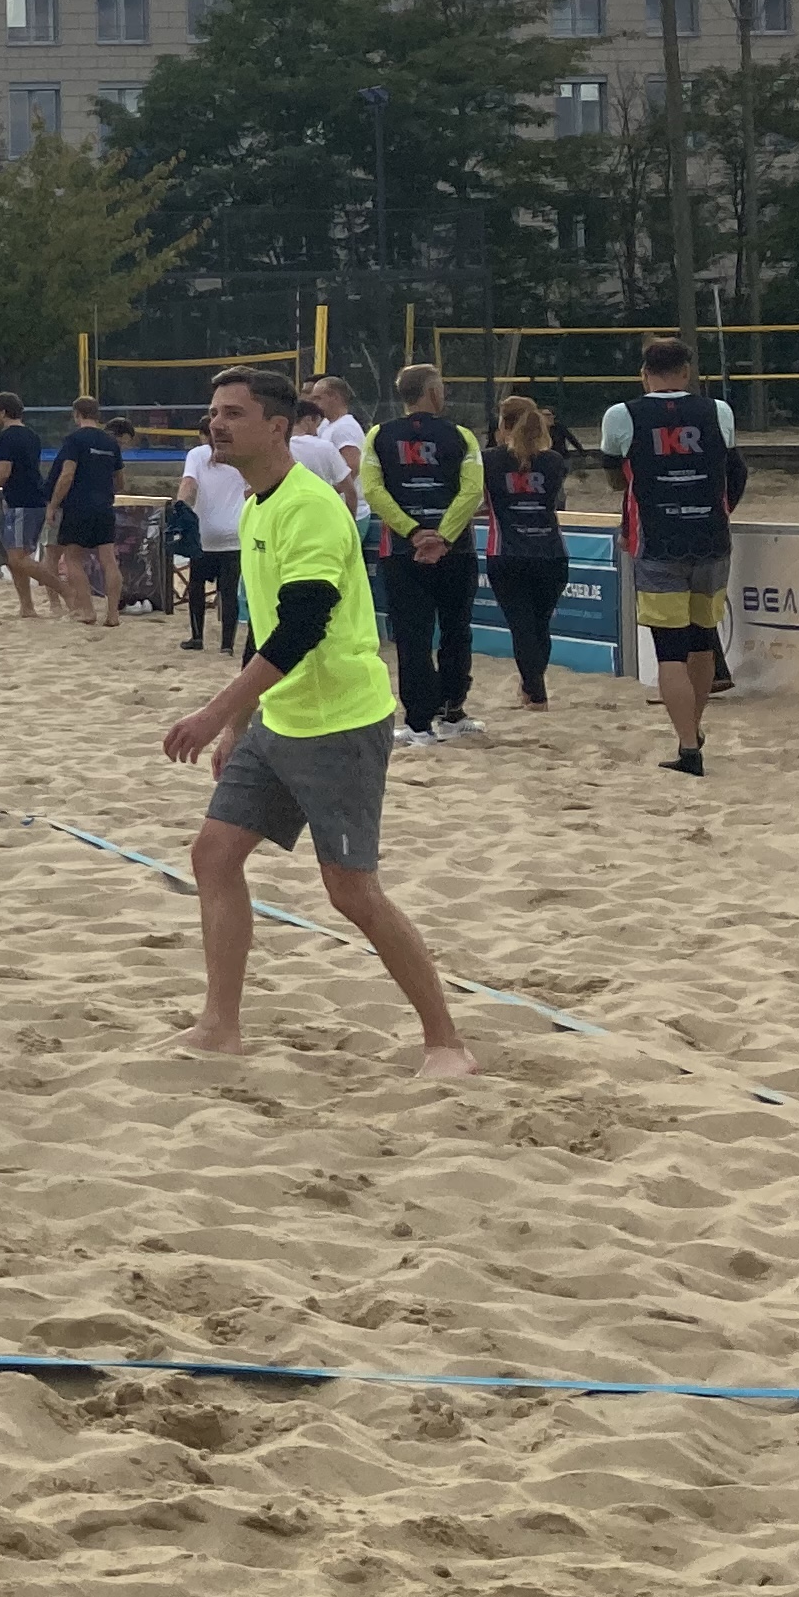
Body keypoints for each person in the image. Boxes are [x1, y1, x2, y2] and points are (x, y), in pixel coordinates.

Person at [160, 367, 476, 1076]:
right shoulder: (256, 504)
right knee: (213, 854)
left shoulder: (309, 507)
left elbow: (301, 628)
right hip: (282, 717)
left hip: (338, 719)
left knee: (351, 891)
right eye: (213, 413)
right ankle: (220, 1027)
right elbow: (262, 627)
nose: (216, 425)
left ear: (277, 427)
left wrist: (215, 713)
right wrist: (241, 724)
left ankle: (446, 1043)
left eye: (233, 414)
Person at [601, 336, 741, 778]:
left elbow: (614, 478)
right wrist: (720, 511)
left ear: (645, 372)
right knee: (702, 641)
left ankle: (687, 745)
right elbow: (735, 471)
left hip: (658, 542)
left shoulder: (622, 414)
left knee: (669, 652)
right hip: (711, 539)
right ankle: (693, 729)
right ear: (687, 370)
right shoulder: (717, 410)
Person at [362, 363, 483, 744]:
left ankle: (419, 724)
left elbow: (374, 491)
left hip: (401, 550)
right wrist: (443, 536)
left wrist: (413, 532)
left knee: (412, 637)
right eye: (442, 387)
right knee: (455, 630)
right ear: (431, 390)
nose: (444, 394)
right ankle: (451, 711)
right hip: (454, 550)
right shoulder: (461, 435)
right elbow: (472, 492)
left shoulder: (379, 435)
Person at [480, 396, 571, 709]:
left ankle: (535, 690)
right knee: (540, 624)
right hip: (550, 551)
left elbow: (479, 502)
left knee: (521, 626)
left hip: (508, 551)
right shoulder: (554, 461)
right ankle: (533, 686)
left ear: (503, 425)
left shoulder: (489, 460)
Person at [43, 396, 126, 627]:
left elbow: (67, 475)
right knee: (108, 560)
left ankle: (87, 610)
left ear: (77, 414)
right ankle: (113, 614)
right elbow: (120, 481)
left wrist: (52, 504)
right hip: (104, 507)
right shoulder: (110, 443)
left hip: (78, 506)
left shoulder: (74, 440)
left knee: (73, 558)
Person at [172, 423, 246, 658]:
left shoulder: (197, 455)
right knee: (229, 591)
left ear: (203, 435)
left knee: (196, 587)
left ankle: (197, 637)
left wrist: (180, 508)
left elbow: (188, 484)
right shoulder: (241, 455)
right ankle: (227, 644)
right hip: (235, 533)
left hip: (204, 533)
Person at [0, 391, 55, 618]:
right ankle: (27, 606)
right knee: (17, 558)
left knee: (18, 558)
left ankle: (65, 591)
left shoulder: (8, 437)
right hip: (31, 499)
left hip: (22, 501)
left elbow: (4, 471)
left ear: (3, 412)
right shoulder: (31, 435)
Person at [309, 377, 370, 510]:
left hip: (349, 508)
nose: (313, 403)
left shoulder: (345, 428)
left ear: (334, 397)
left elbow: (353, 467)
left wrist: (328, 491)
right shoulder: (326, 425)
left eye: (318, 398)